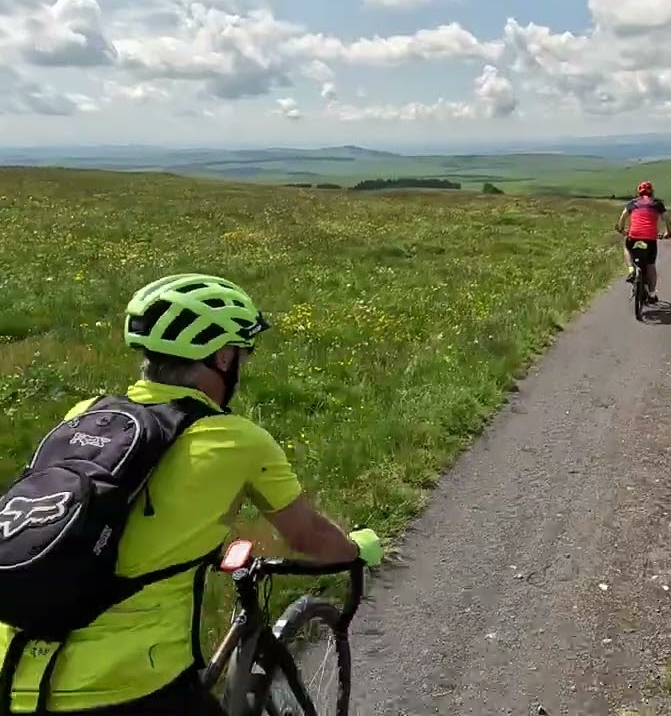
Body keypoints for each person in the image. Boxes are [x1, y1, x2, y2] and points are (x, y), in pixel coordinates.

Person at [0, 273, 383, 715]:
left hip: (15, 666)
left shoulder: (86, 415)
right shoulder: (238, 440)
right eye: (241, 351)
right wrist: (355, 548)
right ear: (223, 356)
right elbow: (307, 537)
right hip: (125, 685)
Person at [615, 180, 671, 303]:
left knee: (627, 247)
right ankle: (651, 294)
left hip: (634, 236)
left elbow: (623, 216)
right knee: (651, 266)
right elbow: (666, 218)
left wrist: (621, 229)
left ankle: (631, 269)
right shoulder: (657, 203)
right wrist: (668, 233)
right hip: (650, 239)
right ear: (652, 192)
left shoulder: (633, 203)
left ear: (639, 192)